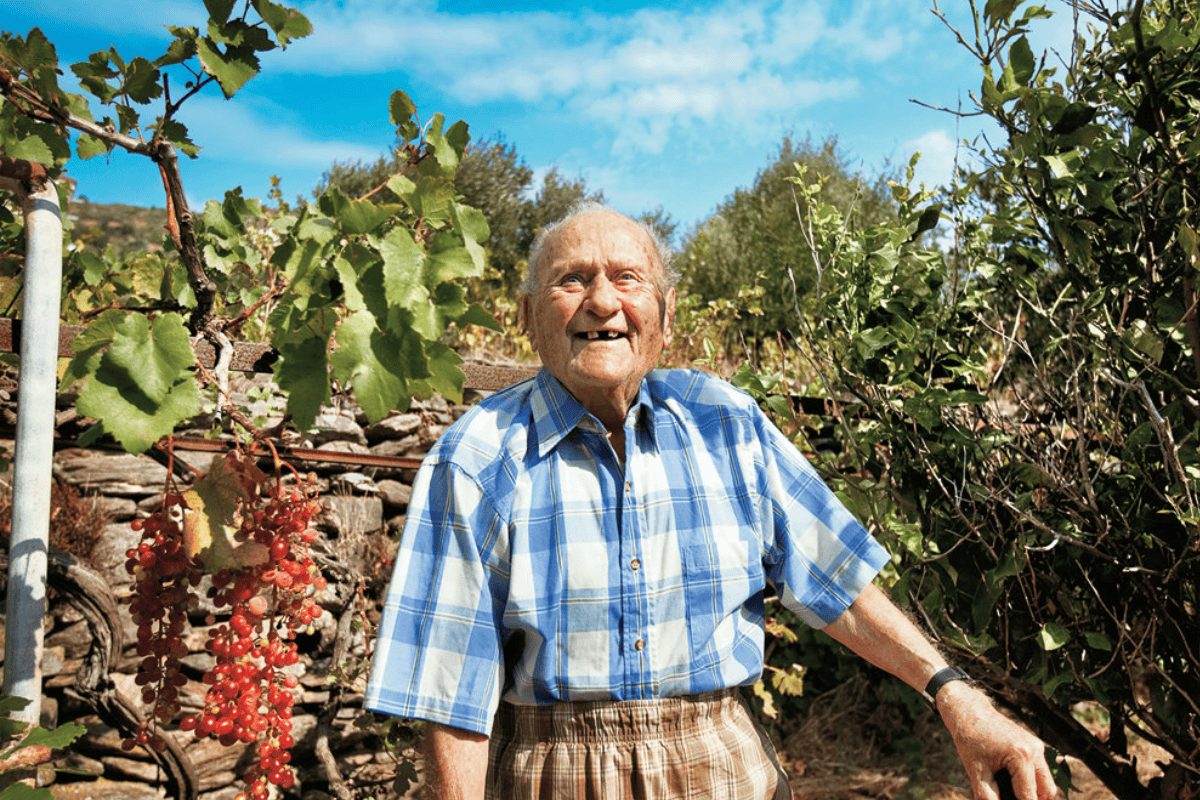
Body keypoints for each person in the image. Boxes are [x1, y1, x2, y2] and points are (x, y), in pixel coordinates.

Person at [365, 202, 1058, 800]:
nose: (602, 302)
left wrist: (956, 696)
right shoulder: (476, 456)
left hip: (725, 766)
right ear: (527, 316)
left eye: (627, 278)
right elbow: (450, 690)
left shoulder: (725, 422)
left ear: (665, 316)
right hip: (556, 773)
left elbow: (837, 581)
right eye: (571, 279)